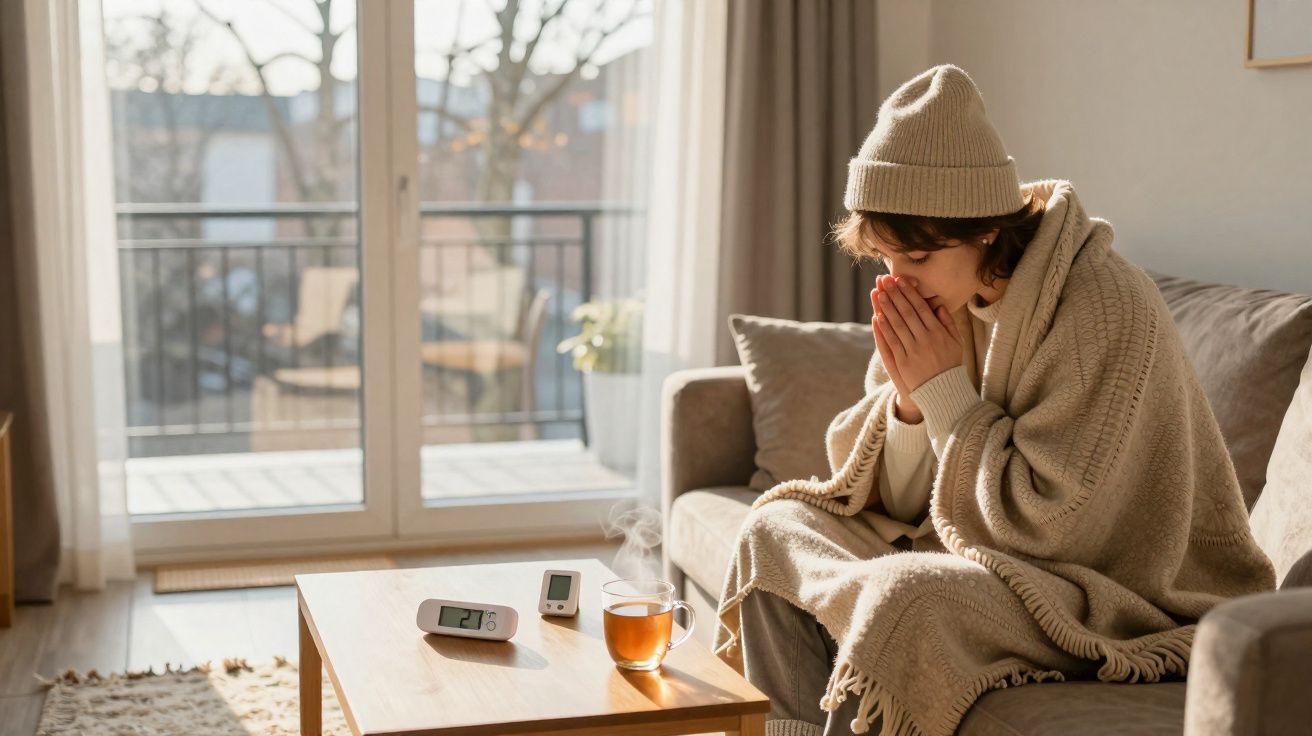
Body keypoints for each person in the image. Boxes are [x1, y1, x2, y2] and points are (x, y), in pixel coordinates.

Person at [714, 64, 1275, 736]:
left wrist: (945, 390)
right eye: (885, 259)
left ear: (983, 228)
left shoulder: (1100, 304)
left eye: (916, 259)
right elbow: (894, 503)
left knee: (906, 600)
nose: (899, 281)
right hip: (997, 555)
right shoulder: (944, 292)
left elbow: (1050, 526)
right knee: (774, 532)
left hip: (1116, 588)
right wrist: (912, 402)